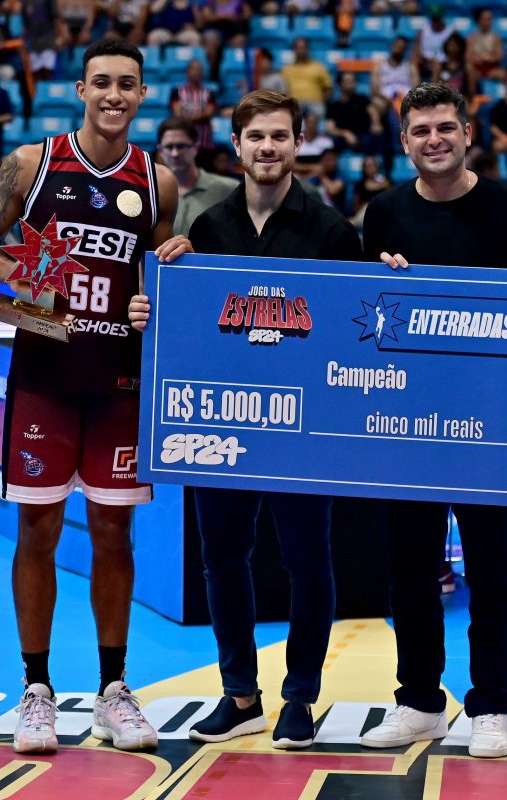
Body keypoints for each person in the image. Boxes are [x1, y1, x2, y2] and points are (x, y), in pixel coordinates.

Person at [0, 36, 185, 755]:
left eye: (127, 84)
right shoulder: (32, 162)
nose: (114, 95)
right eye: (102, 82)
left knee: (115, 533)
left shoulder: (157, 181)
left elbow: (159, 270)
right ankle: (37, 690)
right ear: (81, 90)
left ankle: (114, 690)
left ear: (142, 94)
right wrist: (28, 284)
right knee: (39, 530)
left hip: (120, 380)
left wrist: (162, 290)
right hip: (45, 374)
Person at [128, 88, 361, 751]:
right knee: (223, 560)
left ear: (298, 143)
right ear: (235, 146)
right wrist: (153, 308)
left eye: (280, 136)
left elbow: (353, 331)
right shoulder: (206, 229)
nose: (268, 147)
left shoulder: (332, 232)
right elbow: (192, 325)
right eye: (256, 136)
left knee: (307, 563)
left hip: (303, 427)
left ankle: (300, 697)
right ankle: (240, 696)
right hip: (225, 423)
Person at [358, 82, 507, 760]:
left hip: (490, 420)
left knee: (493, 569)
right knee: (411, 569)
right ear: (404, 141)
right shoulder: (384, 213)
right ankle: (419, 700)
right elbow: (367, 318)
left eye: (445, 127)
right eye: (420, 130)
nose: (434, 139)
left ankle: (492, 704)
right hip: (406, 420)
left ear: (468, 133)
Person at [156, 115, 237, 236]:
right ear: (160, 150)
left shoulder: (229, 189)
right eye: (169, 147)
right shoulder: (150, 192)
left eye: (181, 146)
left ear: (196, 147)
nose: (175, 153)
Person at [169, 58, 217, 152]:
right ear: (187, 72)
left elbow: (208, 113)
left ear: (203, 73)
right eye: (193, 69)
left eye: (199, 69)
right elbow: (177, 114)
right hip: (183, 143)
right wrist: (200, 114)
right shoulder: (176, 92)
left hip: (204, 144)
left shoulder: (210, 93)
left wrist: (187, 117)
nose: (196, 72)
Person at [281, 37, 332, 117]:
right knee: (292, 115)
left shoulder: (319, 67)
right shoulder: (286, 69)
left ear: (308, 49)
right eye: (298, 48)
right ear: (294, 50)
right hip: (294, 104)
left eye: (303, 48)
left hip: (314, 104)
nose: (301, 51)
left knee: (312, 117)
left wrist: (322, 101)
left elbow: (329, 88)